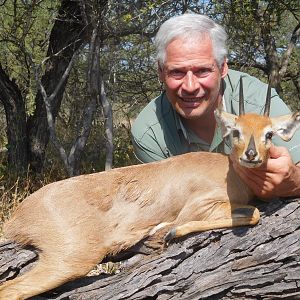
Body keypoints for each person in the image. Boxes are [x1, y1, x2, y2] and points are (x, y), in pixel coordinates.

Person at [131, 13, 300, 199]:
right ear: (161, 71)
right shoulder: (149, 132)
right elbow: (164, 203)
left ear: (223, 67)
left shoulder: (258, 100)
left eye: (203, 71)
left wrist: (293, 181)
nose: (190, 86)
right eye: (177, 72)